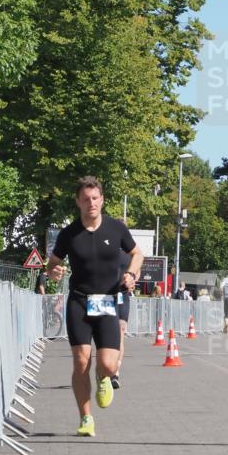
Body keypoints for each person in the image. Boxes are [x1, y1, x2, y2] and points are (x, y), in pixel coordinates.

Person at [46, 176, 143, 438]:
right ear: (78, 201)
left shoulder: (116, 229)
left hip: (107, 302)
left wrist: (132, 275)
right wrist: (53, 271)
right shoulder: (69, 233)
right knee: (80, 362)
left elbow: (138, 254)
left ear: (102, 200)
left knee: (109, 365)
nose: (91, 203)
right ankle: (86, 418)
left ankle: (104, 379)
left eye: (95, 198)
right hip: (78, 300)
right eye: (86, 199)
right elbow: (52, 262)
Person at [113, 250, 131, 390]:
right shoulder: (104, 245)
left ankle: (116, 372)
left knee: (121, 329)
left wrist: (132, 278)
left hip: (122, 295)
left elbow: (137, 271)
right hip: (104, 295)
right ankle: (104, 367)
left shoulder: (131, 252)